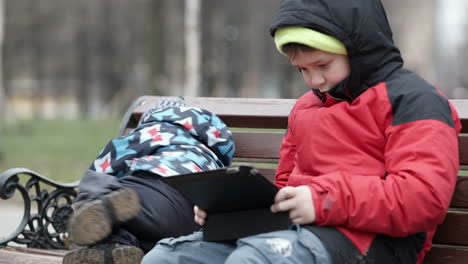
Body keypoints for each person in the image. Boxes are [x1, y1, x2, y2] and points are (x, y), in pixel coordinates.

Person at [141, 0, 461, 263]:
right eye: (303, 70)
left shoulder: (416, 102)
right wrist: (231, 210)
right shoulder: (307, 107)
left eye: (323, 66)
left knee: (252, 260)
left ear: (360, 51)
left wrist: (322, 201)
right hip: (294, 234)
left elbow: (423, 198)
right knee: (167, 258)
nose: (313, 81)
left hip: (374, 244)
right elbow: (284, 189)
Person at [62, 97, 235, 264]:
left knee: (96, 181)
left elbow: (105, 164)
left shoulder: (154, 130)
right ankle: (114, 249)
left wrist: (89, 195)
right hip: (193, 220)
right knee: (128, 231)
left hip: (154, 196)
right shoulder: (209, 152)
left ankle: (99, 206)